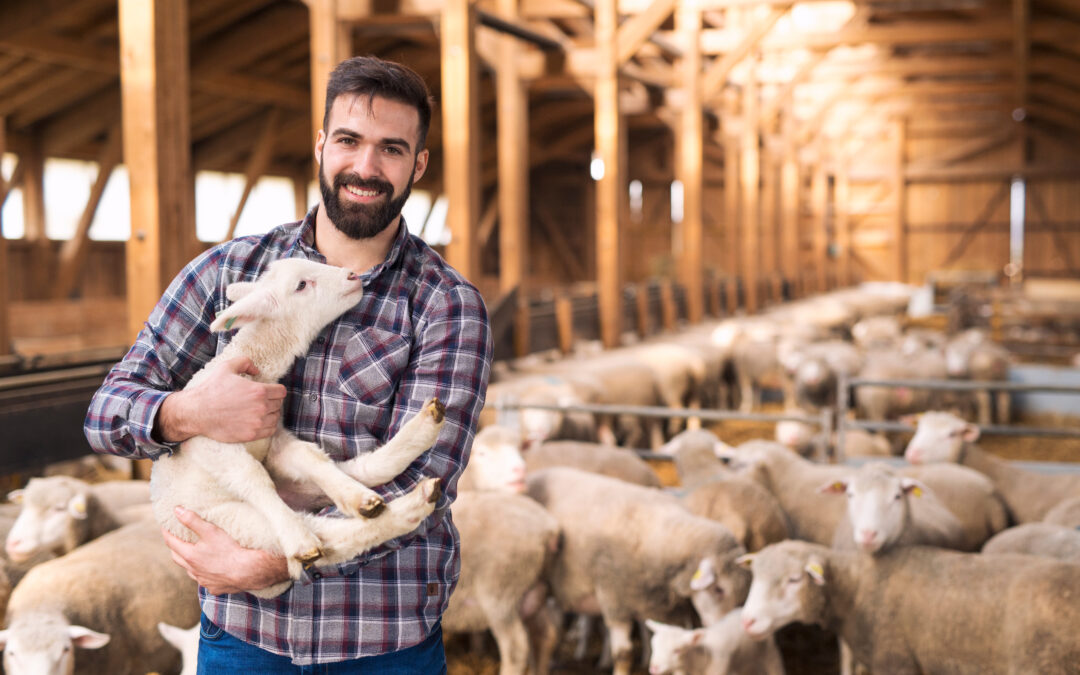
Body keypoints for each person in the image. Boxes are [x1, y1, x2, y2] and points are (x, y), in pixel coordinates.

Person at [84, 56, 493, 672]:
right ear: (322, 144)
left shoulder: (446, 305)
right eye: (350, 141)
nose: (366, 167)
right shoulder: (229, 272)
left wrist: (277, 557)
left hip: (379, 642)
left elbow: (423, 483)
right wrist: (185, 412)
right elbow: (107, 411)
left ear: (419, 163)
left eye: (392, 148)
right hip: (244, 636)